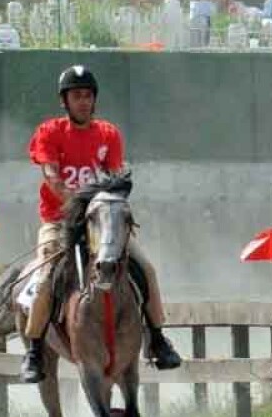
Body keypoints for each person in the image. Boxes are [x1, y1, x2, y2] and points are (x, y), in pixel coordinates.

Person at [20, 65, 183, 383]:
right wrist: (76, 206)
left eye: (88, 96)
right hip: (60, 222)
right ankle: (35, 351)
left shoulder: (108, 134)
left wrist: (106, 209)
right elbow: (52, 177)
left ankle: (158, 339)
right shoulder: (50, 132)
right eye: (76, 96)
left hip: (101, 224)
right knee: (45, 276)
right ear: (65, 101)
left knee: (146, 269)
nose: (83, 102)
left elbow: (114, 179)